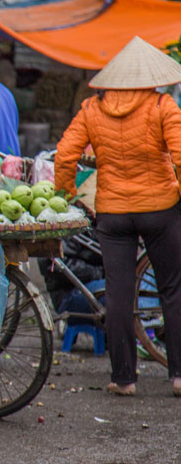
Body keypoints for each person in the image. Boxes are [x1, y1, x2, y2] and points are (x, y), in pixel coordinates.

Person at [54, 36, 181, 397]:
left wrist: (66, 195)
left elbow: (65, 156)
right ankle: (179, 376)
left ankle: (124, 378)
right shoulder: (162, 105)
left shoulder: (92, 109)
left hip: (113, 214)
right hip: (161, 210)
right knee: (172, 289)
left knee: (119, 294)